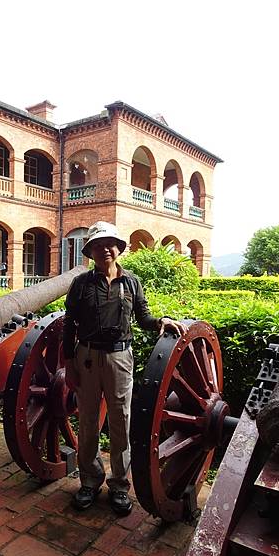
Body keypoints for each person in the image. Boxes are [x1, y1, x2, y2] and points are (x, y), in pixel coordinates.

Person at [63, 221, 187, 516]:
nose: (105, 249)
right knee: (89, 422)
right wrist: (69, 363)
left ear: (118, 249)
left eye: (111, 244)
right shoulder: (81, 284)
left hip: (120, 358)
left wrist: (160, 322)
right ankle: (90, 482)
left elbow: (142, 317)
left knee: (121, 421)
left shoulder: (131, 282)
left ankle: (119, 486)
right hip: (87, 358)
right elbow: (70, 325)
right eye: (98, 244)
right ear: (90, 251)